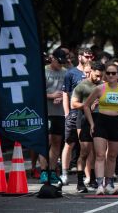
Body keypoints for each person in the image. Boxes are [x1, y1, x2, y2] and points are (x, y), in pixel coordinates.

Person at [83, 62, 118, 195]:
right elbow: (86, 106)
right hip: (101, 122)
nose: (111, 75)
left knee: (112, 156)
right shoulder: (100, 88)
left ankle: (109, 184)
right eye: (108, 73)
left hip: (117, 123)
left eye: (114, 73)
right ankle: (99, 185)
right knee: (100, 155)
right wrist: (91, 123)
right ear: (105, 75)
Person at [60, 48, 94, 184]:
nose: (89, 58)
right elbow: (65, 94)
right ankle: (64, 174)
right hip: (74, 114)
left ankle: (89, 176)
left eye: (91, 56)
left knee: (87, 147)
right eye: (87, 56)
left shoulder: (94, 73)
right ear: (80, 57)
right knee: (69, 144)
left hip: (88, 115)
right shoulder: (71, 73)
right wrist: (67, 113)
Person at [71, 62, 104, 193]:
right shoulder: (82, 86)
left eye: (101, 76)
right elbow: (73, 104)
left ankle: (93, 180)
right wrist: (87, 105)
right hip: (84, 119)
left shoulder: (103, 85)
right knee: (84, 152)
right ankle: (80, 182)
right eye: (96, 75)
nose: (98, 78)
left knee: (98, 153)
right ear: (91, 71)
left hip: (100, 120)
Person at [41, 49, 68, 184]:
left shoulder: (65, 72)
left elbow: (69, 91)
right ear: (52, 58)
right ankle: (43, 171)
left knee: (57, 142)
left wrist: (63, 97)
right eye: (58, 61)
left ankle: (52, 170)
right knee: (47, 141)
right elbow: (37, 92)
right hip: (47, 111)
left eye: (62, 62)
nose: (60, 65)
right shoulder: (43, 71)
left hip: (60, 112)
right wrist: (51, 96)